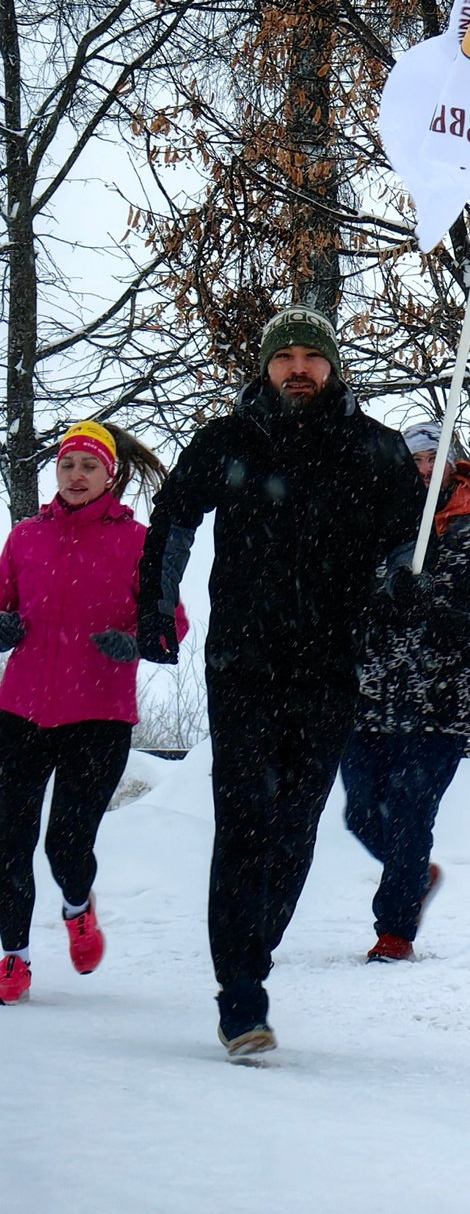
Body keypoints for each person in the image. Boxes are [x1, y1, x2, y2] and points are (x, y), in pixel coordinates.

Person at [138, 306, 422, 1059]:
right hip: (243, 663)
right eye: (285, 356)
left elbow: (406, 537)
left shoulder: (375, 449)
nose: (298, 368)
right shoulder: (230, 440)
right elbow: (173, 518)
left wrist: (402, 580)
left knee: (294, 826)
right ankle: (241, 997)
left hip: (330, 666)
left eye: (311, 356)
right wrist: (159, 600)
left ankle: (250, 953)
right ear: (265, 367)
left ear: (332, 367)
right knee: (243, 823)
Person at [0, 421, 184, 1005]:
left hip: (98, 713)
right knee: (8, 841)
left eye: (88, 466)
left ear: (111, 475)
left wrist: (137, 641)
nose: (76, 475)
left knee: (66, 843)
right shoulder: (25, 537)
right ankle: (14, 957)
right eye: (67, 465)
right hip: (21, 709)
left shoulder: (136, 542)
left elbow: (171, 622)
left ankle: (78, 909)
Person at [342, 426, 470, 963]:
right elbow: (341, 606)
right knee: (360, 814)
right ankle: (416, 875)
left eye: (433, 458)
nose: (422, 469)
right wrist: (380, 599)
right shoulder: (371, 529)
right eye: (413, 461)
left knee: (409, 810)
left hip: (441, 706)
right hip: (369, 698)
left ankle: (394, 928)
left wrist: (445, 617)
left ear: (454, 467)